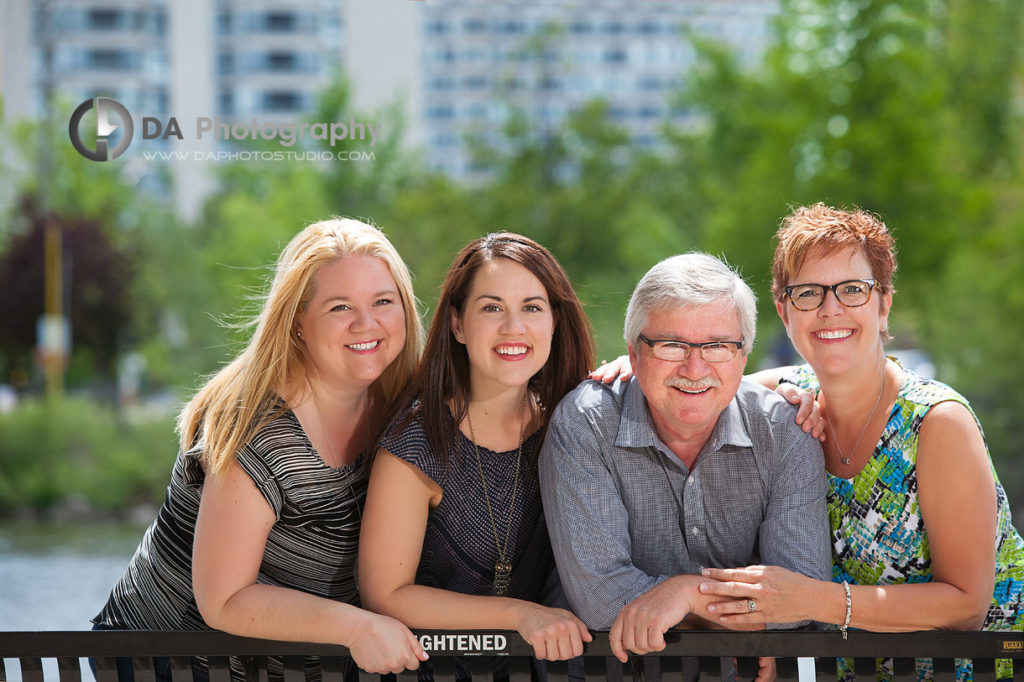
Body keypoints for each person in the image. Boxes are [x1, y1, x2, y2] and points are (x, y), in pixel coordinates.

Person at [695, 204, 1024, 680]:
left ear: (884, 302)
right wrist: (631, 370)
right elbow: (709, 379)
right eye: (809, 293)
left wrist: (811, 600)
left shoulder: (937, 423)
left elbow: (965, 607)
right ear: (784, 309)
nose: (831, 309)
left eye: (852, 289)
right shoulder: (787, 397)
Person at [92, 218, 429, 681]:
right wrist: (357, 627)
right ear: (297, 325)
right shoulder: (259, 427)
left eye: (383, 302)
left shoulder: (399, 408)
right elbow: (225, 600)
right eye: (339, 307)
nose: (366, 323)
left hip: (286, 666)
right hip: (171, 661)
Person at [538, 252, 832, 673]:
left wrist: (689, 596)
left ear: (743, 356)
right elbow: (603, 599)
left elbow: (800, 597)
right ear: (634, 353)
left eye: (717, 346)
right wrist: (720, 603)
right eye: (672, 345)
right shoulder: (586, 423)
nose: (695, 368)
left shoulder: (787, 432)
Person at [358, 232, 595, 677]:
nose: (514, 327)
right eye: (491, 308)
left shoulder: (574, 426)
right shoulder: (416, 443)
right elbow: (385, 595)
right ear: (457, 324)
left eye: (532, 307)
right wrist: (518, 615)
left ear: (554, 322)